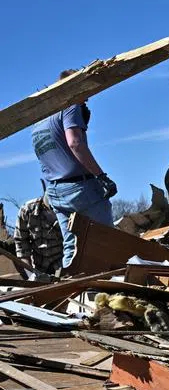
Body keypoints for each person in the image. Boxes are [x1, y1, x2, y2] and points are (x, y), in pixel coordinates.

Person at [31, 73, 117, 268]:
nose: (86, 98)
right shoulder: (70, 106)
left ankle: (72, 290)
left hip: (55, 190)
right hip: (79, 187)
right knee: (108, 242)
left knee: (72, 246)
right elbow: (75, 143)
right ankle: (112, 290)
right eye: (85, 92)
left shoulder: (39, 121)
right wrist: (101, 176)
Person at [14, 186, 64, 275]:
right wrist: (31, 275)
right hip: (40, 268)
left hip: (65, 266)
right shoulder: (27, 211)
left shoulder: (69, 212)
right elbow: (21, 245)